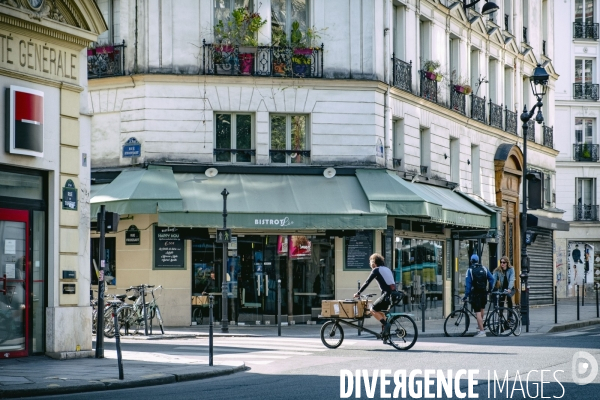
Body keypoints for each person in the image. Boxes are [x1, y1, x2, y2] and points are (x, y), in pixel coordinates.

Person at [354, 253, 396, 338]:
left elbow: (367, 282)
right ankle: (385, 335)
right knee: (381, 313)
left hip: (387, 295)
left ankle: (386, 325)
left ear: (374, 263)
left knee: (372, 309)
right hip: (394, 295)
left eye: (370, 262)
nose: (370, 264)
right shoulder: (387, 269)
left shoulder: (376, 270)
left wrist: (358, 293)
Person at [463, 254, 494, 338]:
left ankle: (482, 331)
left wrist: (466, 295)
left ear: (471, 261)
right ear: (478, 261)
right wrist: (490, 289)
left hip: (475, 293)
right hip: (484, 292)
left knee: (477, 312)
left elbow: (468, 284)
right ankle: (480, 327)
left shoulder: (469, 270)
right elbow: (492, 279)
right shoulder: (484, 268)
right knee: (482, 309)